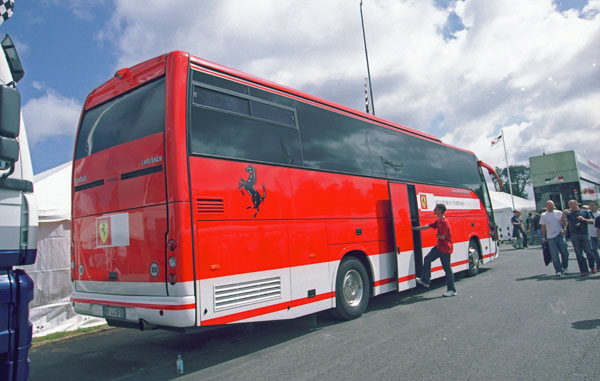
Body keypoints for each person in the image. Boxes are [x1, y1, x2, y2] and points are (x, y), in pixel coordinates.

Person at [413, 204, 456, 297]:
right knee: (427, 259)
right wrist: (414, 228)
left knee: (447, 269)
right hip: (439, 247)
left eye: (435, 208)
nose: (434, 209)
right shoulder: (439, 221)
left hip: (445, 248)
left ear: (440, 210)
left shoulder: (445, 222)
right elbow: (427, 226)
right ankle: (426, 280)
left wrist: (437, 236)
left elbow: (443, 236)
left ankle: (452, 290)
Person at [563, 199, 594, 276]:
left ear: (576, 204)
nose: (570, 206)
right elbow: (563, 222)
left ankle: (592, 266)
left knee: (589, 251)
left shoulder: (584, 212)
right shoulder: (569, 214)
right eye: (569, 204)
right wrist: (563, 214)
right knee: (579, 253)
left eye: (571, 204)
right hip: (574, 235)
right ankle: (583, 270)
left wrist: (583, 219)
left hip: (584, 233)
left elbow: (592, 221)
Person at [540, 200, 569, 276]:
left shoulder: (558, 213)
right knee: (554, 255)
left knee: (565, 252)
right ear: (546, 206)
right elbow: (543, 227)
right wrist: (543, 237)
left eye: (552, 205)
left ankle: (565, 267)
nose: (551, 206)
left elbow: (564, 222)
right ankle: (558, 270)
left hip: (560, 235)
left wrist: (565, 229)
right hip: (550, 237)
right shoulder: (543, 215)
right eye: (549, 205)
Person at [588, 201, 600, 273]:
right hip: (591, 234)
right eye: (590, 205)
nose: (591, 206)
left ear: (596, 206)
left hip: (598, 234)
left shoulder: (599, 214)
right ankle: (598, 264)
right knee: (594, 250)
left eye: (593, 205)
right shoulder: (588, 214)